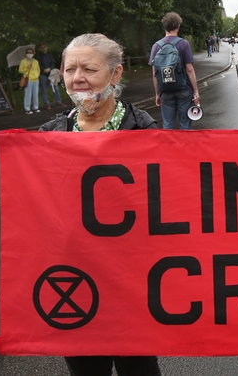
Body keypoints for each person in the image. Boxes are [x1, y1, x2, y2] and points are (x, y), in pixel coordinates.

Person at [39, 33, 160, 376]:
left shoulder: (145, 131)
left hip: (131, 280)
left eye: (89, 69)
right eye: (69, 69)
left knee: (138, 366)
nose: (77, 78)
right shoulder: (48, 136)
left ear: (116, 74)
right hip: (74, 280)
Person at [149, 12, 200, 130]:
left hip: (165, 91)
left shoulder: (156, 46)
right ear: (178, 27)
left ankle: (169, 148)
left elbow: (155, 74)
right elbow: (190, 70)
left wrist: (157, 93)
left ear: (165, 27)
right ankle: (185, 148)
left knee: (168, 126)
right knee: (185, 125)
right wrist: (196, 91)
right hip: (184, 89)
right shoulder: (184, 44)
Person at [36, 42, 63, 109]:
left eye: (44, 47)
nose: (43, 48)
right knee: (44, 90)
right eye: (42, 47)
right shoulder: (38, 56)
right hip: (43, 75)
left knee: (56, 89)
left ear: (47, 47)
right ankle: (47, 104)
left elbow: (53, 64)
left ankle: (58, 102)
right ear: (40, 49)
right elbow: (38, 65)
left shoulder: (49, 55)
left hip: (51, 75)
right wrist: (43, 69)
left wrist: (49, 68)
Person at [19, 47, 41, 114]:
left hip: (36, 79)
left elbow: (38, 70)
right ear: (26, 54)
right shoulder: (23, 61)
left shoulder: (35, 61)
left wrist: (37, 75)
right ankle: (27, 109)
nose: (29, 54)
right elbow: (20, 70)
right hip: (28, 79)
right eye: (28, 53)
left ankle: (35, 107)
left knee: (35, 94)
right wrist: (26, 68)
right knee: (28, 95)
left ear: (33, 54)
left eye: (31, 52)